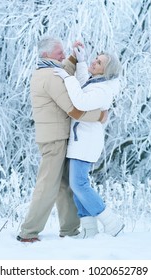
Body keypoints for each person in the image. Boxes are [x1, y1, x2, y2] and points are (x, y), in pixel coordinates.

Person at [16, 36, 108, 242]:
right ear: (47, 55)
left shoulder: (46, 70)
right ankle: (29, 232)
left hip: (57, 136)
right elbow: (75, 110)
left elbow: (62, 70)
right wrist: (100, 116)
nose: (63, 55)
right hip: (55, 139)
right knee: (48, 185)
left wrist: (75, 60)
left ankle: (70, 229)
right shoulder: (50, 76)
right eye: (60, 53)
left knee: (65, 184)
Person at [53, 44, 125, 238]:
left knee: (79, 184)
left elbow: (81, 102)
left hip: (86, 142)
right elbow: (85, 84)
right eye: (96, 58)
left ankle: (112, 222)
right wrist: (82, 61)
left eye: (99, 62)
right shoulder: (97, 83)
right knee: (77, 185)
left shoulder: (103, 90)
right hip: (80, 140)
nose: (95, 61)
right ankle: (89, 229)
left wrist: (67, 78)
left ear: (106, 70)